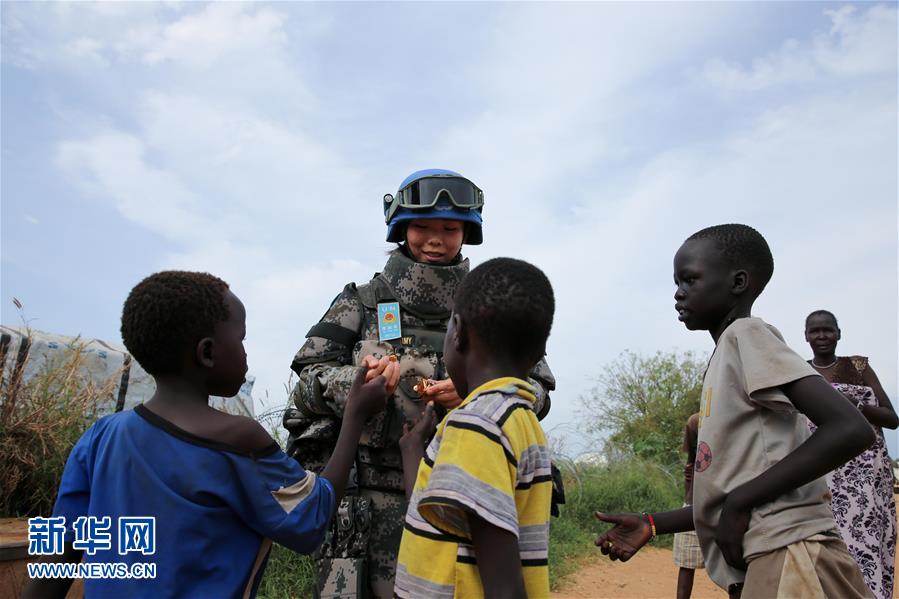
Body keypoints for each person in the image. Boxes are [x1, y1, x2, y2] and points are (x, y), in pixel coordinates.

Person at [23, 271, 395, 599]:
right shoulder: (236, 440)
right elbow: (312, 518)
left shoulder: (100, 437)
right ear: (207, 353)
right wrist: (355, 416)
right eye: (242, 339)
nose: (247, 352)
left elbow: (59, 556)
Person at [282, 169, 555, 597]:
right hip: (365, 497)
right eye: (423, 227)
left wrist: (477, 394)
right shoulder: (362, 301)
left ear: (467, 233)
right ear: (400, 229)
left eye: (449, 228)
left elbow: (536, 393)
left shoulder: (490, 298)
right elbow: (305, 383)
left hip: (463, 493)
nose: (435, 239)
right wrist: (356, 383)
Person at [594, 224, 875, 599]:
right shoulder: (726, 354)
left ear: (738, 282)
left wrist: (741, 504)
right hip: (770, 552)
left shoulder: (747, 335)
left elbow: (850, 428)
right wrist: (652, 523)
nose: (678, 293)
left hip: (790, 551)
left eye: (690, 279)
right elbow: (727, 490)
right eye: (676, 282)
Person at [394, 257, 555, 598]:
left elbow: (504, 589)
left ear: (459, 332)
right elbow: (448, 526)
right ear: (539, 350)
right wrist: (413, 454)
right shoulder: (517, 417)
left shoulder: (475, 426)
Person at [804, 309, 898, 599]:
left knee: (866, 542)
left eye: (828, 330)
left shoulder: (858, 367)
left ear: (838, 334)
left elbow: (892, 419)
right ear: (806, 337)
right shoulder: (799, 371)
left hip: (864, 480)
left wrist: (853, 405)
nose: (822, 336)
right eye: (815, 331)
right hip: (820, 475)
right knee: (824, 547)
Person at [673, 412, 704, 599]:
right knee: (686, 563)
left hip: (728, 502)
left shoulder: (733, 417)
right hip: (694, 502)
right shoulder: (695, 421)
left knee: (732, 569)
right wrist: (689, 495)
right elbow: (691, 462)